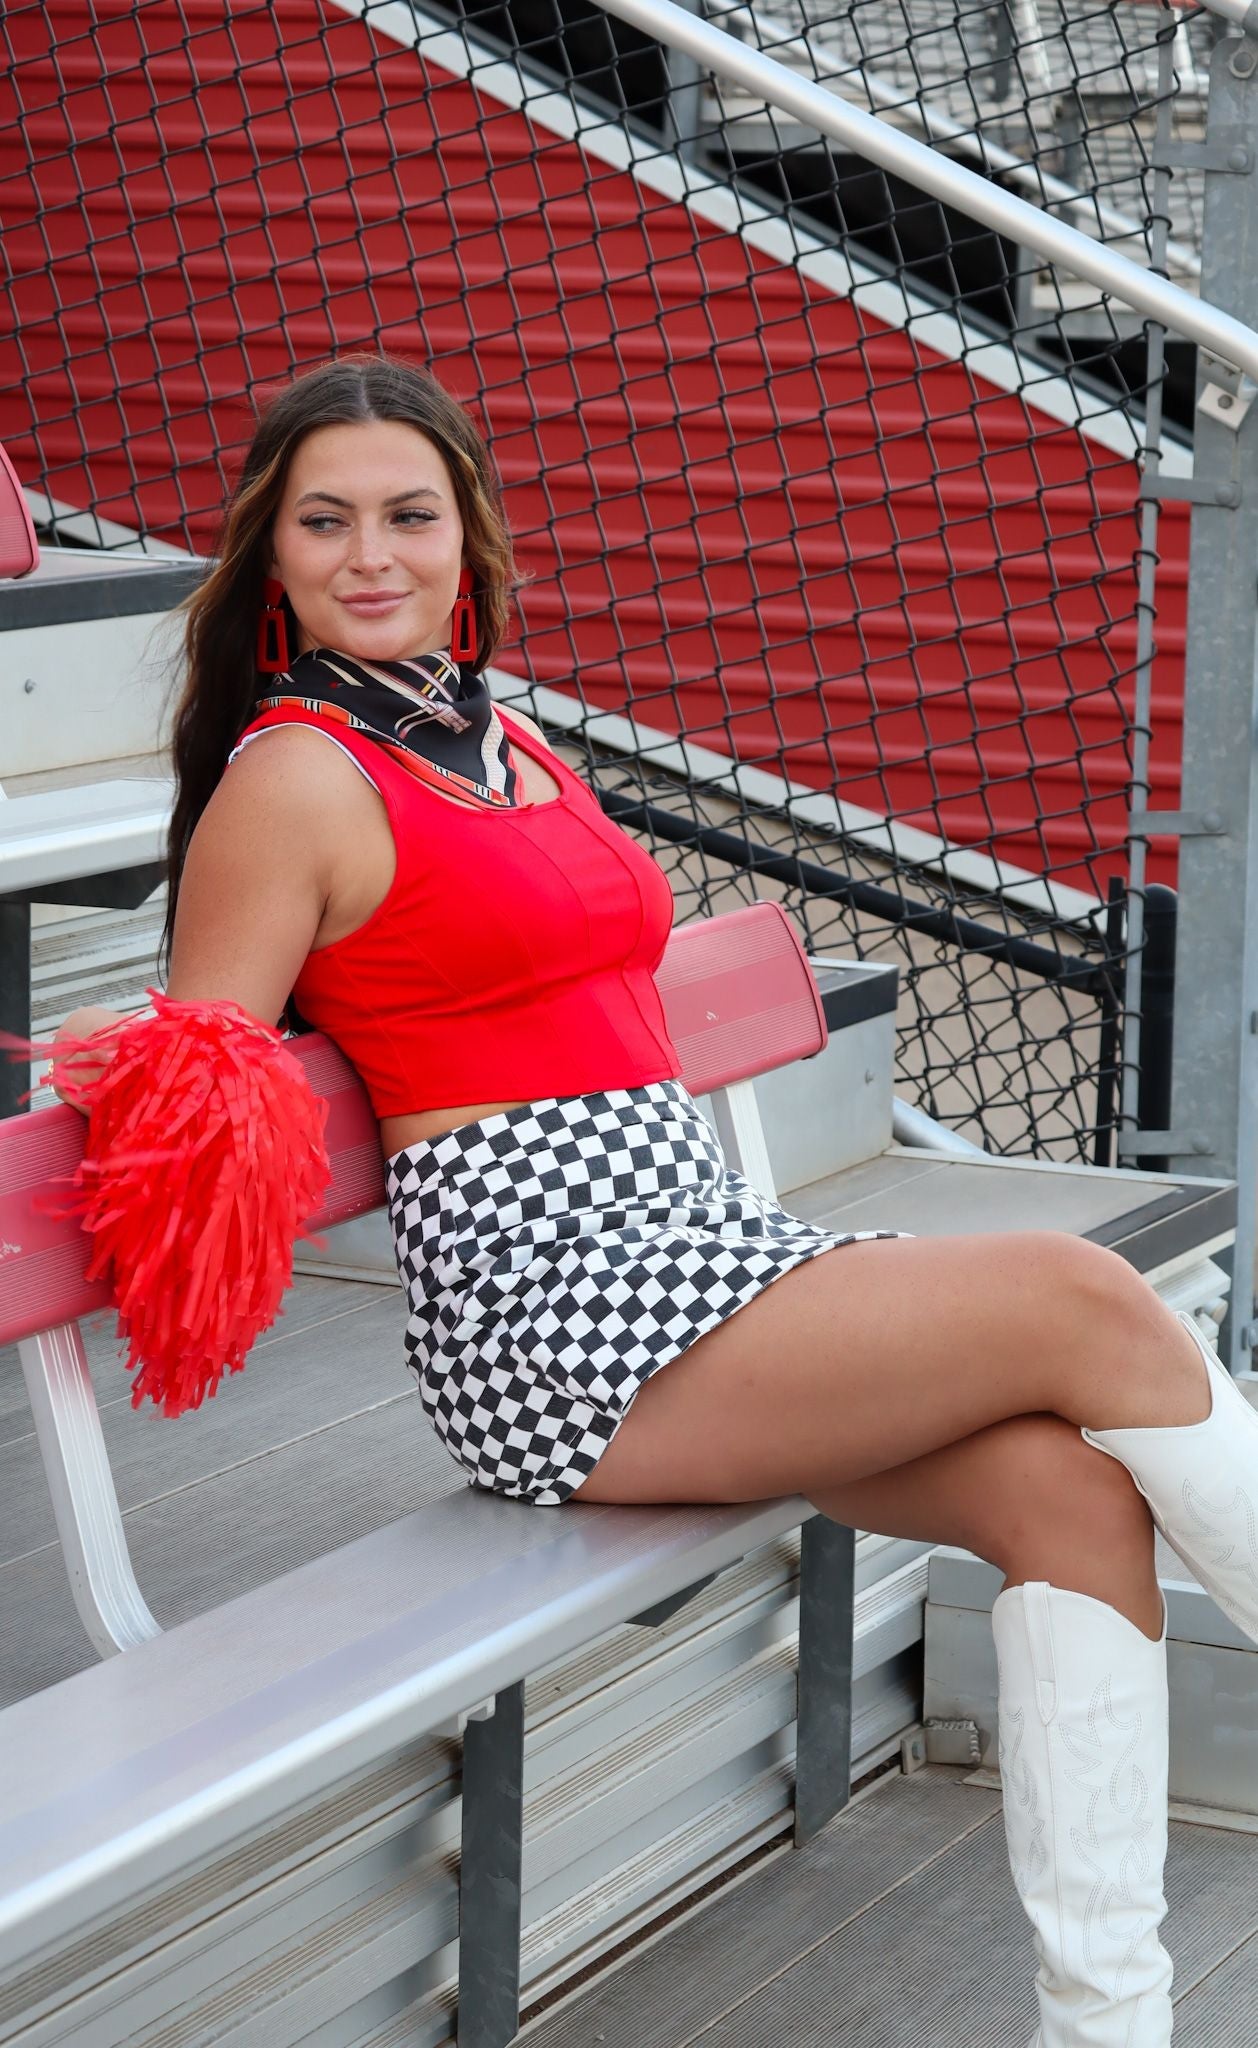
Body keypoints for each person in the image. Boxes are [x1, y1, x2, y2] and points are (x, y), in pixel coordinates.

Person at [57, 353, 1257, 2045]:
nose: (370, 553)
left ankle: (1105, 2028)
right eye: (324, 523)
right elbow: (213, 1058)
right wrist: (116, 1074)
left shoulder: (506, 737)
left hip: (698, 1252)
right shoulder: (298, 773)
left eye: (408, 514)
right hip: (555, 1313)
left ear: (467, 534)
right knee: (1077, 1297)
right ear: (273, 557)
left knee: (1062, 1496)